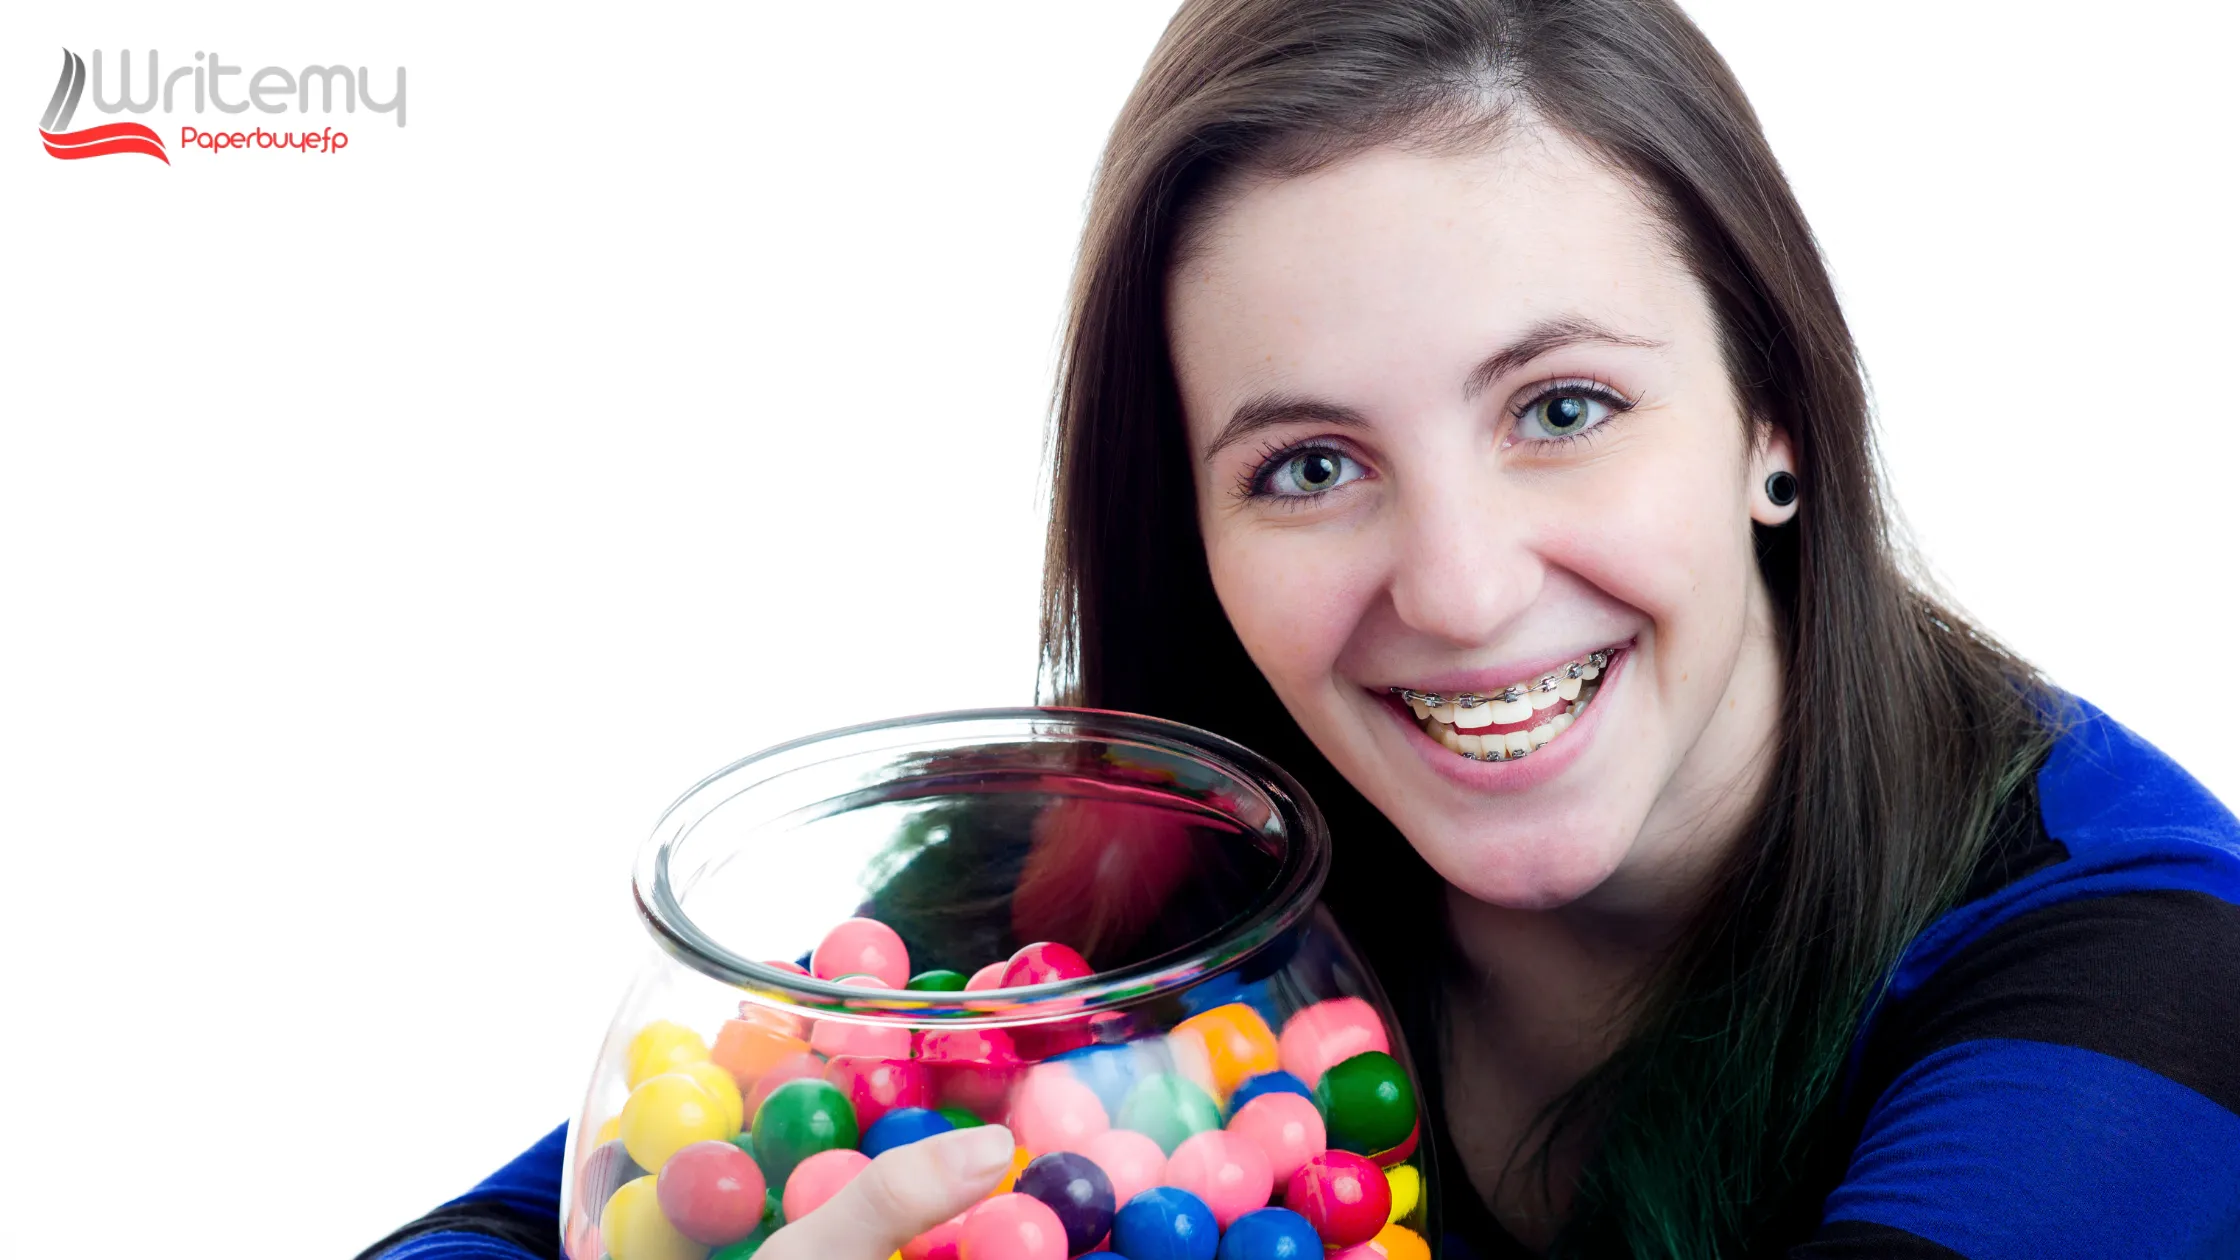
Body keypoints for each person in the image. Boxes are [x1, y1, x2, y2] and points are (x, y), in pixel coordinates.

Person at [360, 1, 2240, 1257]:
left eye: (1563, 409)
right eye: (1311, 466)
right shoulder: (1140, 887)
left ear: (1774, 418)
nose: (1460, 587)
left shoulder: (2146, 981)